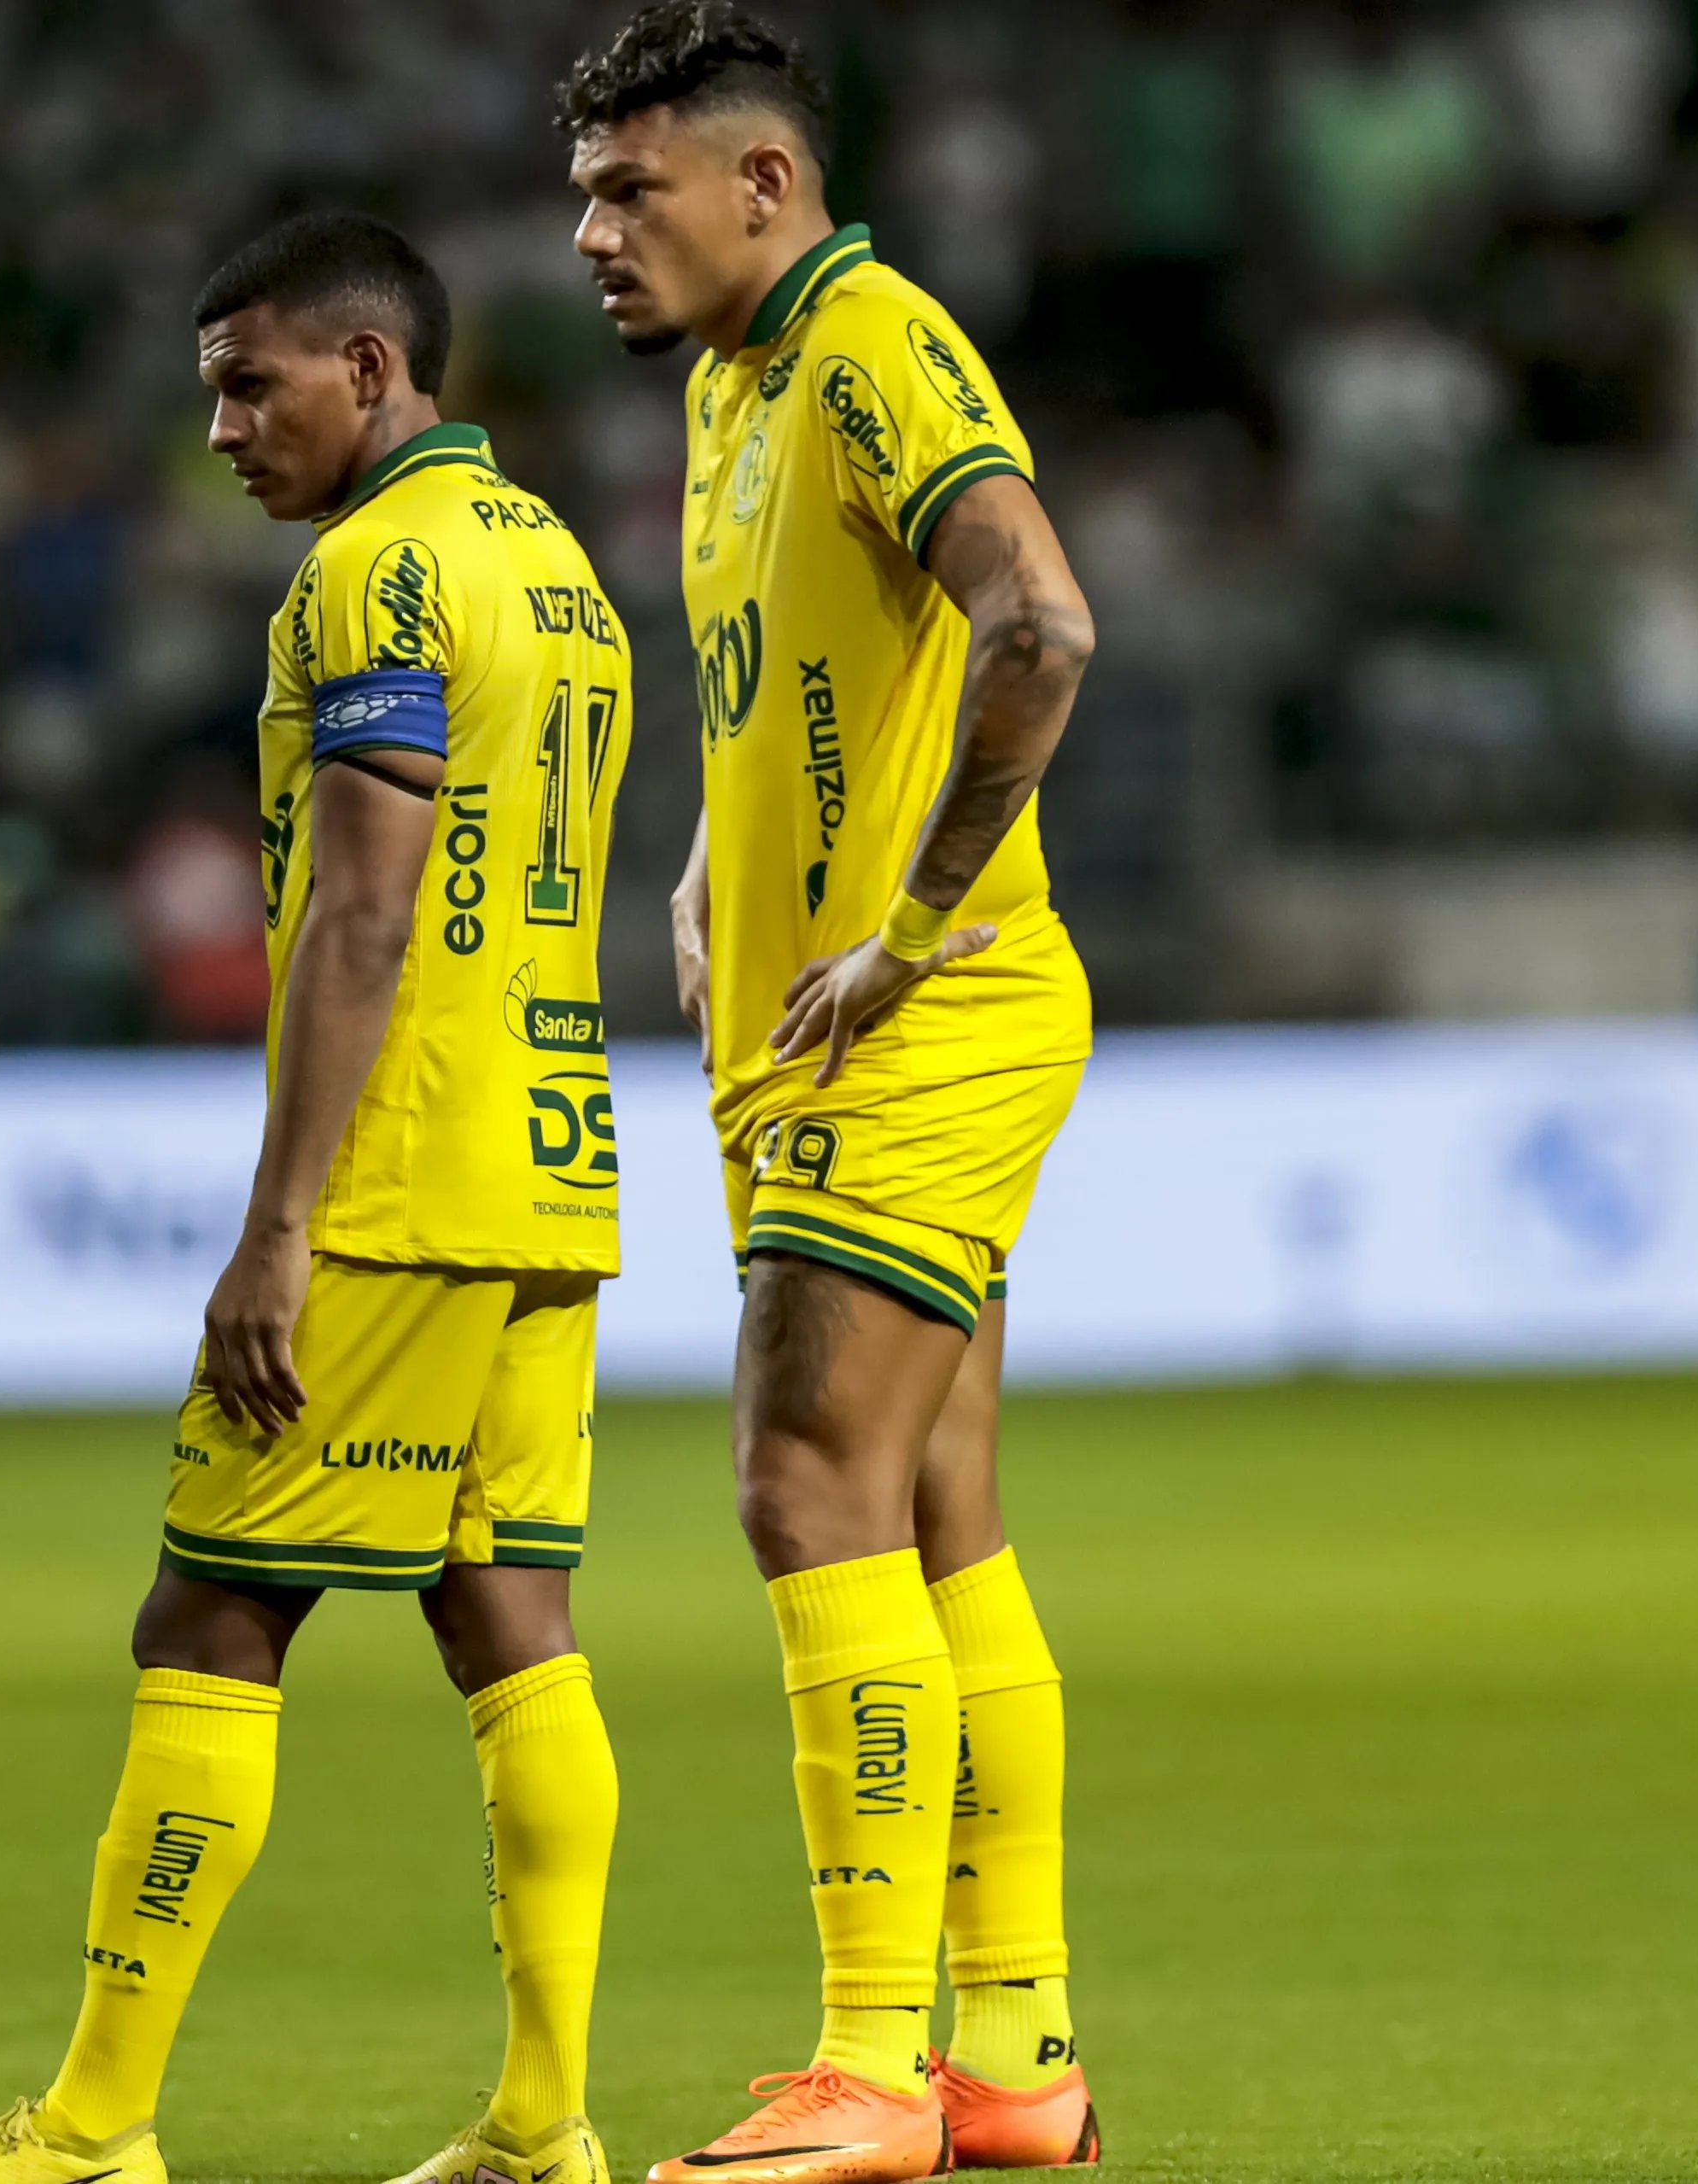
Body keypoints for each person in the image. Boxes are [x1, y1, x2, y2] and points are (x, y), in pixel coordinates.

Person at [0, 211, 633, 2184]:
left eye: (249, 380)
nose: (217, 425)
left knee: (209, 1608)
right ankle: (546, 2120)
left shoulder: (375, 575)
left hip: (398, 1175)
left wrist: (281, 1219)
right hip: (550, 1156)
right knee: (509, 1611)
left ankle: (98, 2126)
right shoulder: (553, 566)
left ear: (371, 372)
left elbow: (367, 911)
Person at [559, 4, 1103, 2176]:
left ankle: (872, 2064)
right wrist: (723, 848)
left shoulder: (873, 339)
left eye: (629, 189)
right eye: (585, 191)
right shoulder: (733, 384)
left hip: (918, 1020)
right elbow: (807, 664)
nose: (590, 231)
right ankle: (1018, 2055)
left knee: (803, 1486)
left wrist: (914, 907)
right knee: (935, 1513)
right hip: (821, 1033)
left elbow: (1037, 625)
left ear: (762, 184)